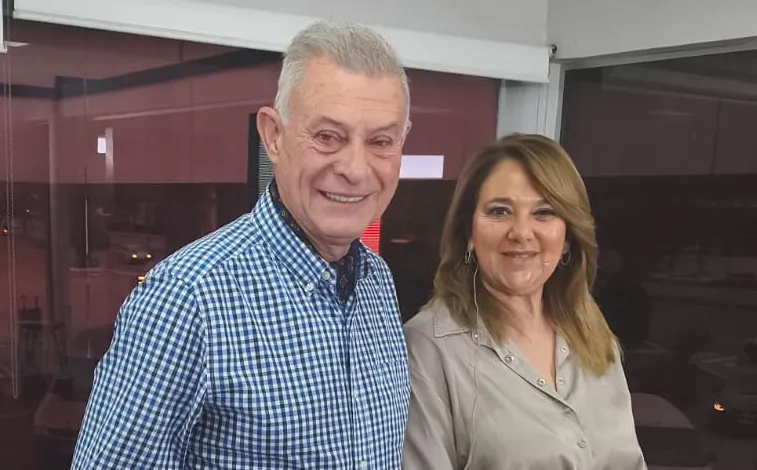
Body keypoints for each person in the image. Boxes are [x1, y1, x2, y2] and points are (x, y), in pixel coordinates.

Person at [72, 20, 412, 469]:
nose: (355, 168)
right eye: (328, 136)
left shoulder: (376, 281)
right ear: (273, 136)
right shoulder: (186, 299)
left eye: (381, 141)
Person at [402, 134, 646, 469]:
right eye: (499, 211)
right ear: (469, 233)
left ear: (567, 237)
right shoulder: (428, 348)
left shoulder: (592, 332)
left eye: (543, 212)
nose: (521, 232)